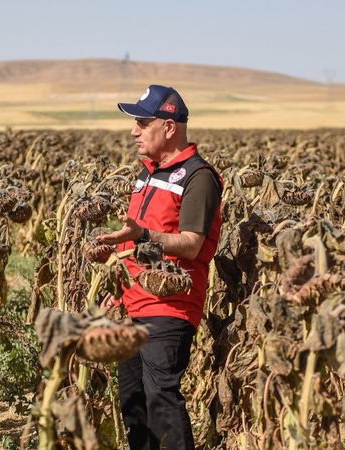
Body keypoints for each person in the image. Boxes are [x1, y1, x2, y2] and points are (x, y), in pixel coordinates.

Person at [96, 85, 223, 450]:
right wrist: (116, 290)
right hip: (133, 302)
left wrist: (144, 235)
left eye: (142, 123)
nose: (133, 131)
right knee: (133, 400)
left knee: (161, 398)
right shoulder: (148, 173)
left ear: (169, 127)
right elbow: (134, 240)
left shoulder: (198, 177)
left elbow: (192, 243)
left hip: (169, 306)